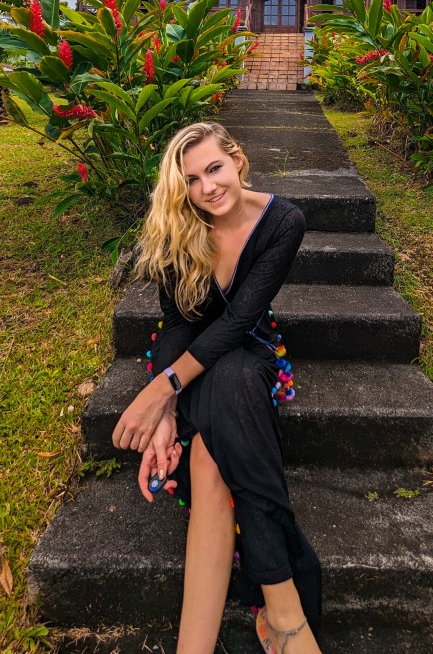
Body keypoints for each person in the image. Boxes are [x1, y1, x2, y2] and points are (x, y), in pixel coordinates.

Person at [112, 122, 323, 654]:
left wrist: (160, 392)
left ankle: (239, 630)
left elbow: (238, 322)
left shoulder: (284, 222)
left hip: (248, 349)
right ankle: (284, 614)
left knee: (227, 401)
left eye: (214, 168)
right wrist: (165, 407)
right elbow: (177, 323)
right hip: (186, 359)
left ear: (237, 160)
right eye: (191, 179)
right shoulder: (178, 225)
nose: (206, 188)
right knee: (209, 455)